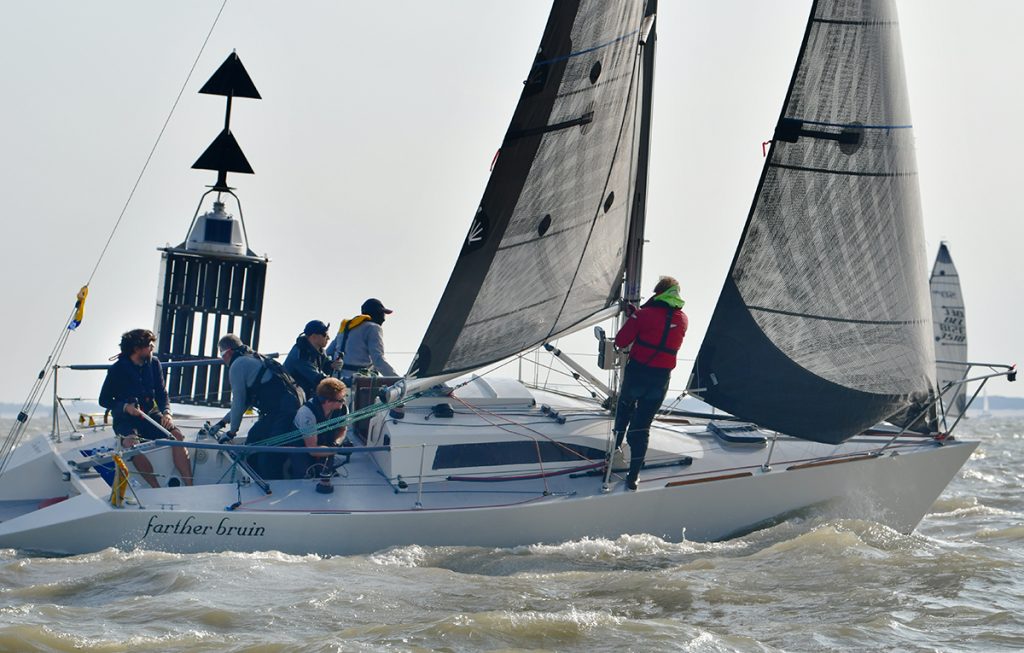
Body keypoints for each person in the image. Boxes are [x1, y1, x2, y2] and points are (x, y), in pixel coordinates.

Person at [612, 276, 688, 491]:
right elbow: (662, 325)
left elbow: (621, 341)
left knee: (624, 412)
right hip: (660, 381)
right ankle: (633, 476)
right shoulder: (683, 319)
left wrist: (635, 316)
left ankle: (614, 453)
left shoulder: (643, 316)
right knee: (641, 427)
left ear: (657, 293)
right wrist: (638, 315)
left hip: (638, 375)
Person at [98, 329, 193, 488]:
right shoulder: (117, 369)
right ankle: (155, 487)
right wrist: (125, 407)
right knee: (131, 445)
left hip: (150, 414)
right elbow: (104, 399)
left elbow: (162, 394)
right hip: (126, 419)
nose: (152, 348)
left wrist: (167, 413)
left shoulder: (154, 363)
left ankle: (190, 485)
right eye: (149, 345)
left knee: (176, 435)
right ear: (137, 348)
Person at [214, 334, 305, 480]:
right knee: (254, 437)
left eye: (221, 354)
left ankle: (270, 486)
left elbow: (238, 400)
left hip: (283, 411)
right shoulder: (254, 358)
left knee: (266, 454)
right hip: (288, 406)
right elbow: (246, 402)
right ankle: (257, 479)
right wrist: (222, 422)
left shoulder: (237, 365)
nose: (223, 359)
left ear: (229, 351)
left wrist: (232, 432)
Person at [290, 377, 349, 492]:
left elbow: (342, 430)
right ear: (327, 401)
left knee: (327, 474)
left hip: (327, 445)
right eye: (341, 399)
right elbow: (313, 450)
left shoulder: (342, 409)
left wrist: (336, 443)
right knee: (304, 481)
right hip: (304, 448)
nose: (344, 401)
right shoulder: (307, 413)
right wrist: (333, 450)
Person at [326, 298, 398, 385]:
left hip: (336, 381)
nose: (384, 318)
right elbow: (378, 360)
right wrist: (397, 380)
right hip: (356, 383)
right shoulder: (373, 328)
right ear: (376, 313)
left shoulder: (346, 327)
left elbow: (328, 353)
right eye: (382, 313)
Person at [284, 319, 341, 398]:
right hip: (293, 400)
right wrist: (340, 385)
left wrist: (331, 365)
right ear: (314, 336)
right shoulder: (301, 354)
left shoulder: (320, 351)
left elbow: (323, 366)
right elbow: (316, 378)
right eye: (325, 334)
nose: (328, 338)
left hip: (306, 396)